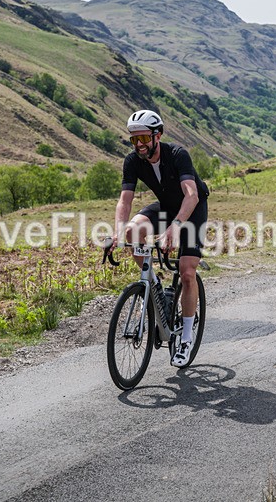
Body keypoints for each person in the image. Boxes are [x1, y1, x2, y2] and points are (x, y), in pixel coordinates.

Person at [111, 109, 209, 367]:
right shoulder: (133, 161)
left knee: (187, 272)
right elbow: (125, 200)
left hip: (192, 210)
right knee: (132, 231)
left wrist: (176, 226)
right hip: (165, 206)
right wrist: (118, 230)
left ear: (158, 135)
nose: (139, 145)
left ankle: (186, 338)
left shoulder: (177, 155)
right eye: (134, 140)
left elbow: (192, 195)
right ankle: (152, 284)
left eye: (144, 138)